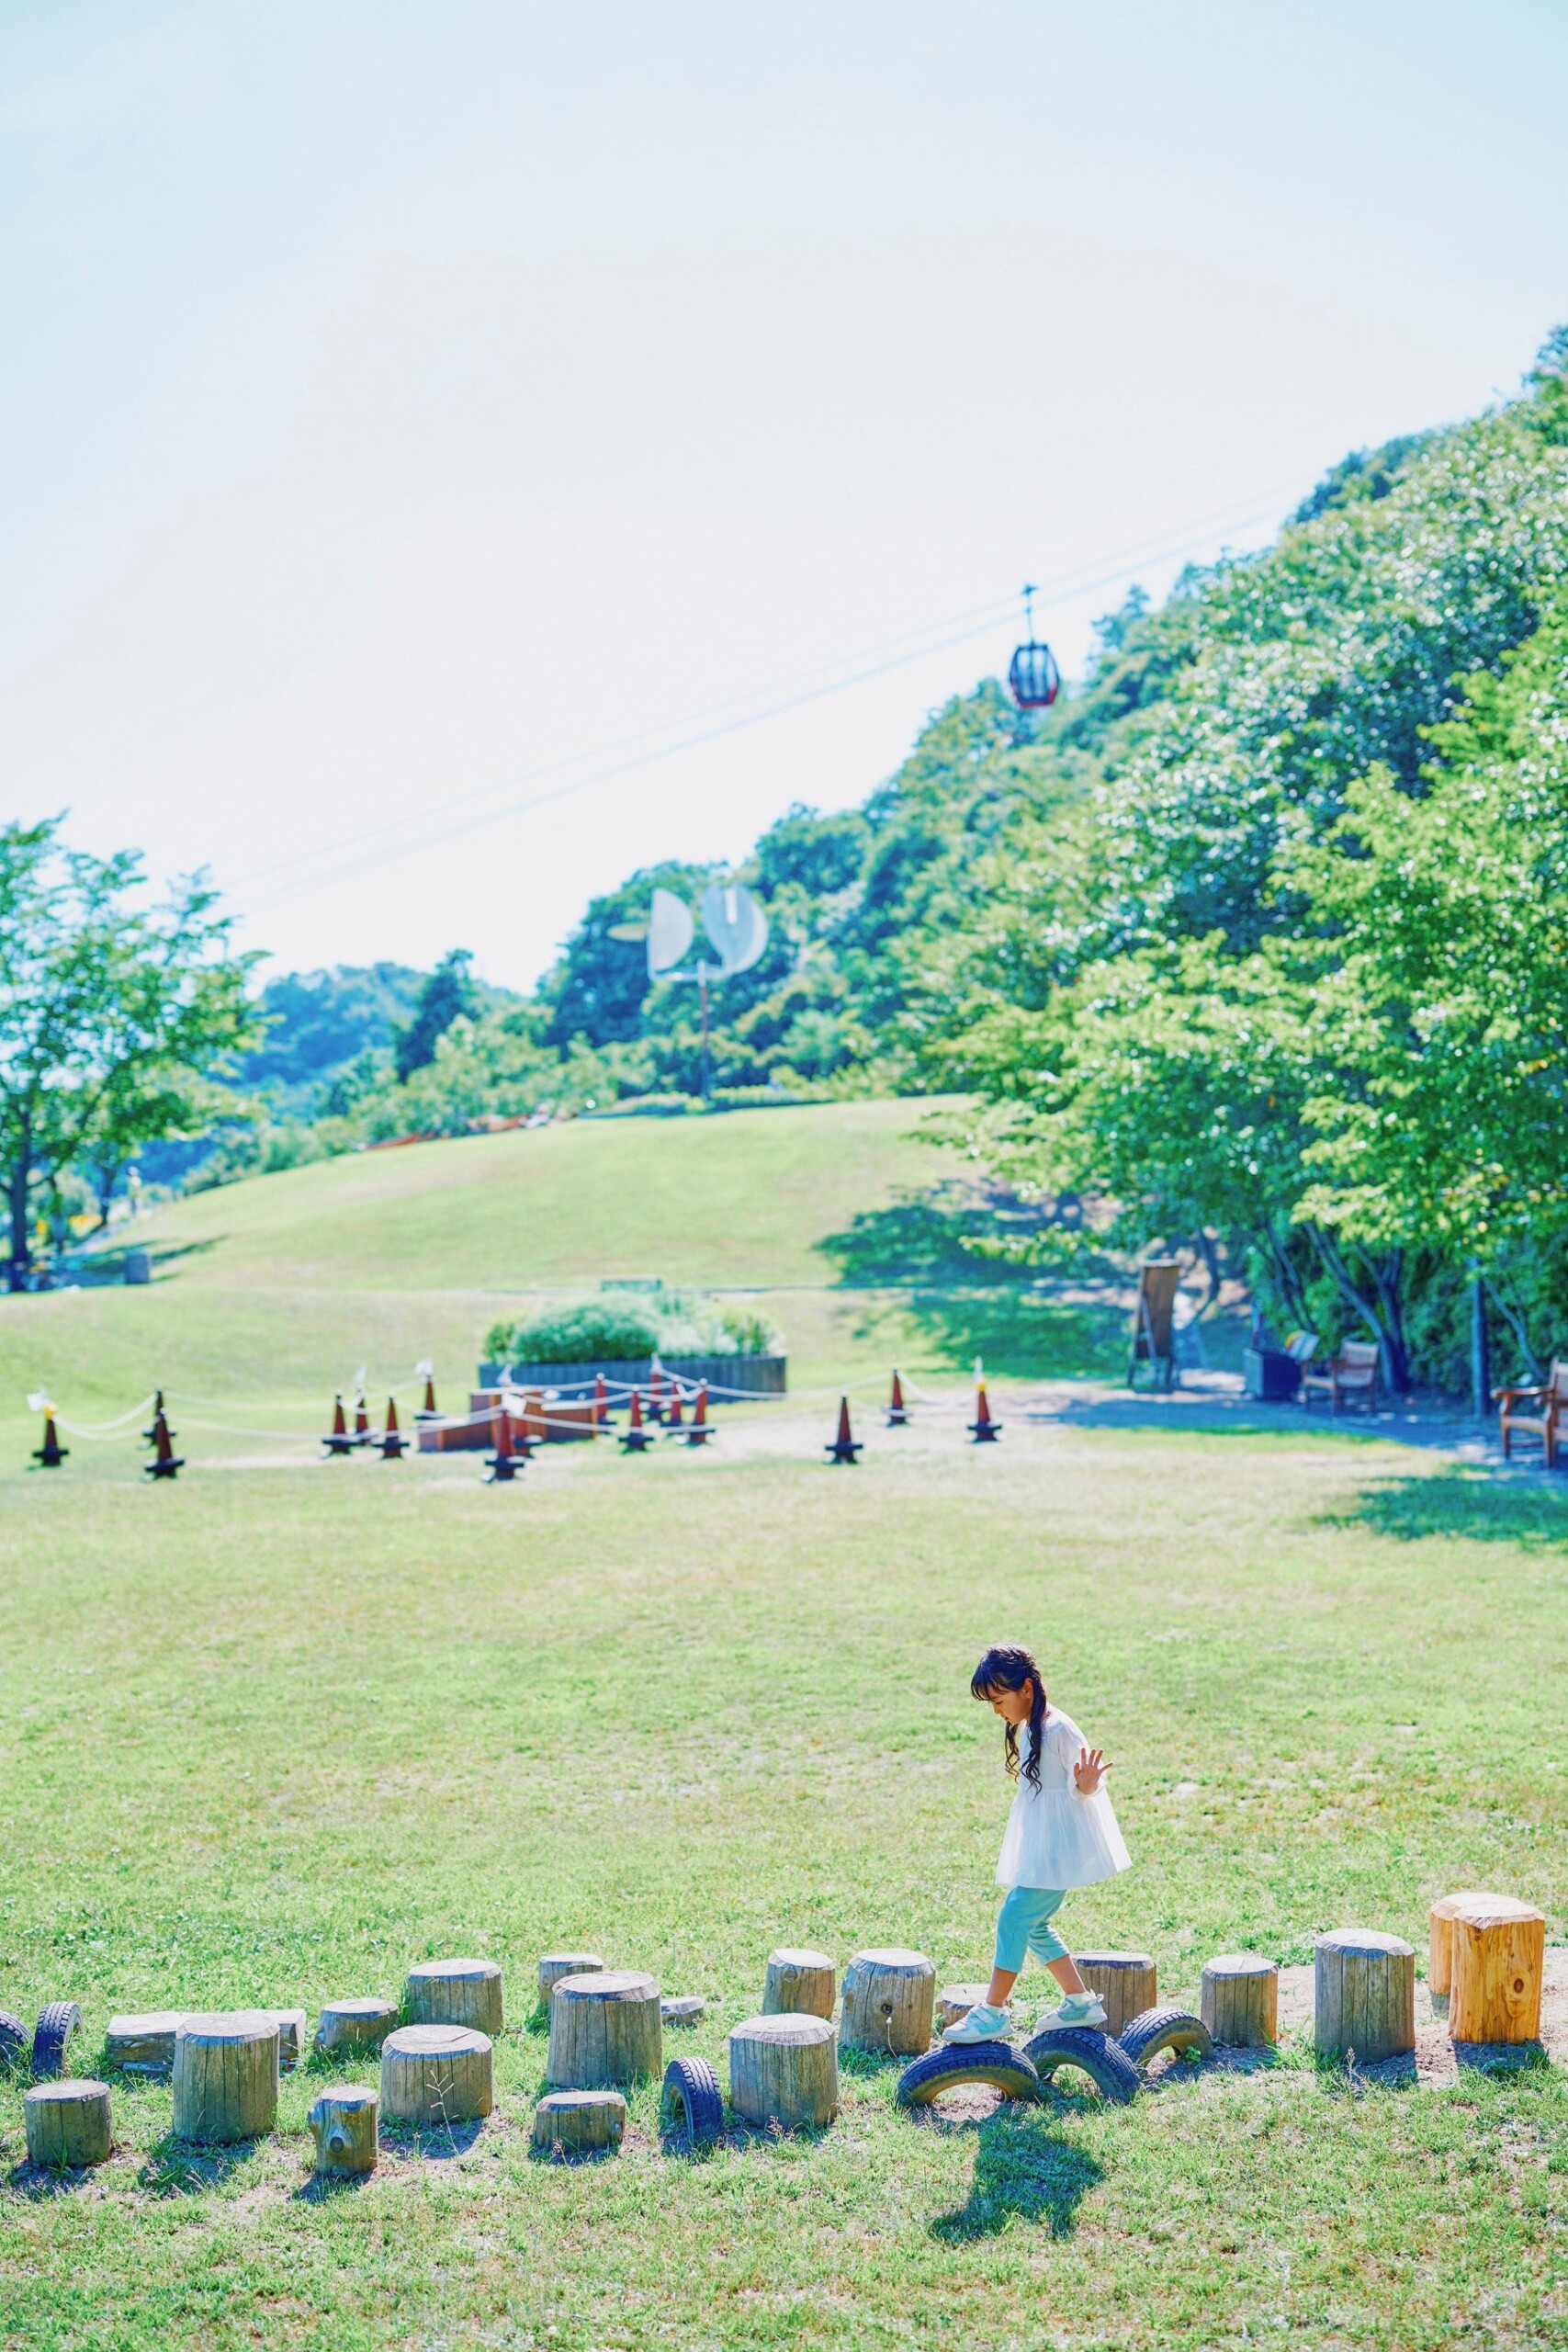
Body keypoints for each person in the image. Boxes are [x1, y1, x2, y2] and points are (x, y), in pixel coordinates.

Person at [943, 1642, 1132, 2044]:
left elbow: (1083, 1782)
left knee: (1014, 1916)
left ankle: (993, 2011)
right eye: (991, 1704)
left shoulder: (1058, 1727)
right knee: (1033, 1925)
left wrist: (1086, 1783)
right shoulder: (1031, 1725)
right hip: (1043, 1842)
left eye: (999, 1700)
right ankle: (1080, 2002)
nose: (997, 1711)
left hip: (1058, 1847)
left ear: (1026, 1688)